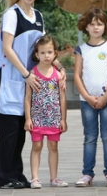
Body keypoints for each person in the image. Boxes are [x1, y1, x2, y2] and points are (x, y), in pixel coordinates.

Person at [0, 0, 66, 189]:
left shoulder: (38, 16)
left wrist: (58, 66)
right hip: (10, 79)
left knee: (21, 132)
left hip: (28, 82)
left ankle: (17, 175)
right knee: (9, 133)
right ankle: (5, 177)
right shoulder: (12, 14)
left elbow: (43, 47)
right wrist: (27, 74)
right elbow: (6, 48)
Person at [73, 8, 107, 187]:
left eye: (99, 24)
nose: (95, 27)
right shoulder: (81, 50)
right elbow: (77, 75)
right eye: (92, 24)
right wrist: (87, 96)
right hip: (87, 102)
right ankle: (87, 174)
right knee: (90, 137)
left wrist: (106, 96)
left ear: (105, 26)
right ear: (85, 27)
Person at [24, 35, 68, 189]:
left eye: (49, 52)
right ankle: (34, 178)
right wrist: (28, 119)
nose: (46, 56)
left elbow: (62, 98)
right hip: (37, 118)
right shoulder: (32, 74)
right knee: (36, 146)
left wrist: (63, 119)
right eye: (42, 53)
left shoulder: (58, 75)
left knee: (53, 146)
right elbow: (28, 98)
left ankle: (54, 178)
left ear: (55, 53)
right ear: (37, 55)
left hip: (54, 118)